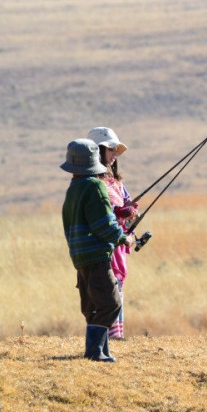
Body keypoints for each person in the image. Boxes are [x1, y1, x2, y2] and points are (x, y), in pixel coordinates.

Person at [61, 138, 135, 362]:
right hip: (97, 255)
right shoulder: (95, 187)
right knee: (112, 303)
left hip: (80, 257)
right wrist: (125, 239)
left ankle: (99, 350)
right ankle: (95, 350)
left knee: (93, 305)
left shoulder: (73, 189)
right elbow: (104, 225)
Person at [86, 126, 137, 340]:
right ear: (98, 151)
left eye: (116, 150)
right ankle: (107, 337)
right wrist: (119, 212)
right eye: (110, 150)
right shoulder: (92, 183)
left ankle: (115, 335)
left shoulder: (117, 182)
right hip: (102, 246)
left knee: (118, 288)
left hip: (119, 245)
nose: (115, 155)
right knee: (109, 290)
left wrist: (131, 210)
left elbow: (127, 203)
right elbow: (101, 211)